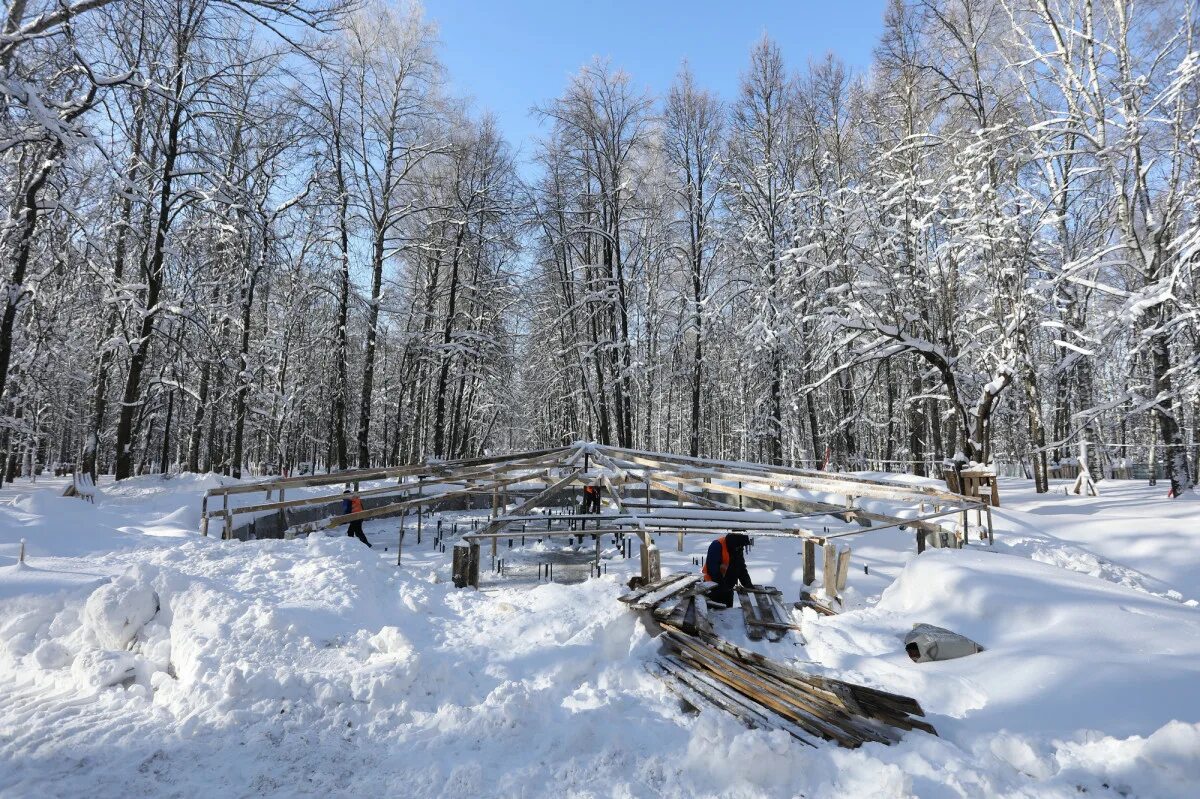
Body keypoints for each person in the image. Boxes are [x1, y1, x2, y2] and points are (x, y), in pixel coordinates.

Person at [702, 533, 754, 607]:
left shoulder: (737, 547)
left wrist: (747, 583)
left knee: (728, 611)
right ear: (734, 543)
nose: (741, 548)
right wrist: (722, 586)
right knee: (715, 612)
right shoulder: (717, 545)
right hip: (712, 586)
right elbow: (713, 569)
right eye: (740, 546)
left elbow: (740, 567)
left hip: (728, 587)